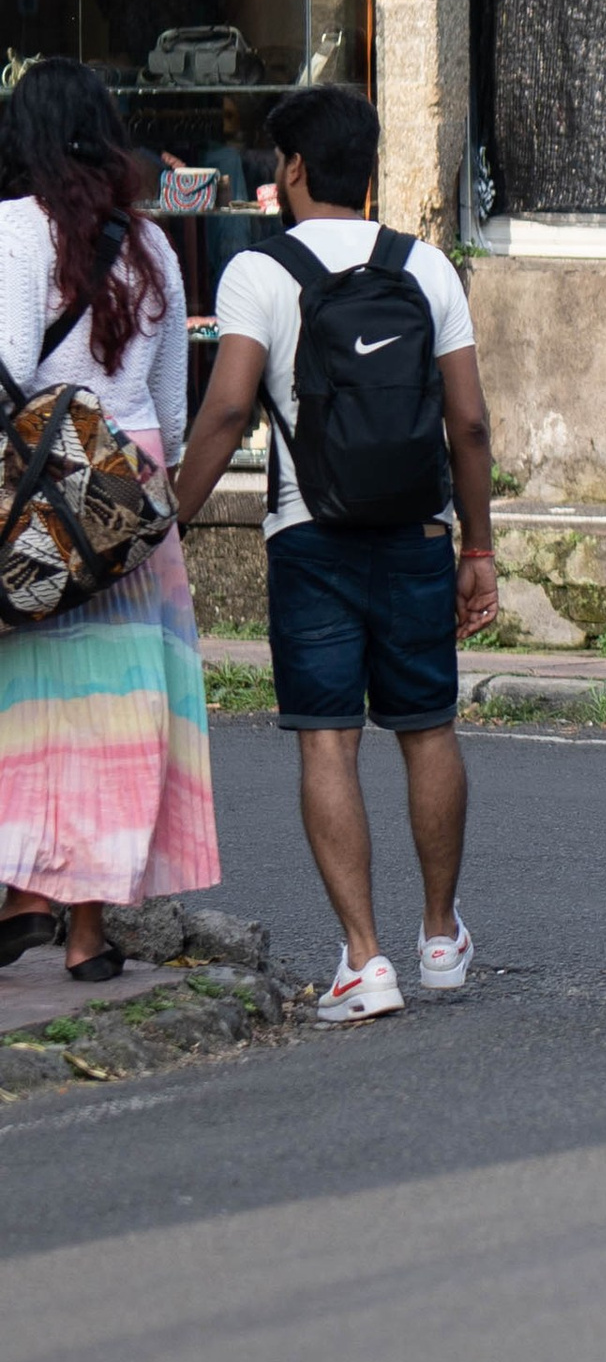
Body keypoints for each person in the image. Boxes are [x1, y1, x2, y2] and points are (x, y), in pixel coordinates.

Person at [171, 83, 496, 1025]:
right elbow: (470, 423)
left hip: (309, 535)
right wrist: (477, 544)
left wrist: (171, 520)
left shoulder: (259, 272)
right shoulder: (427, 267)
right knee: (428, 728)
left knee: (329, 740)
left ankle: (366, 960)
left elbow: (228, 409)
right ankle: (441, 937)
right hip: (417, 531)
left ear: (296, 168)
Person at [0, 59, 218, 976]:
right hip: (129, 496)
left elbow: (11, 368)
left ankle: (23, 889)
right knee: (117, 714)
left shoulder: (14, 230)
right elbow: (170, 404)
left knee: (29, 702)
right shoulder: (154, 245)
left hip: (41, 489)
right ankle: (86, 934)